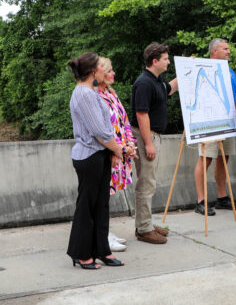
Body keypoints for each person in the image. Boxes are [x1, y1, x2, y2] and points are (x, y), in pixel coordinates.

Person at [66, 52, 126, 269]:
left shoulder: (92, 92)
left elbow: (104, 128)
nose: (105, 69)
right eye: (102, 66)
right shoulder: (84, 94)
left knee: (101, 205)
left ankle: (102, 250)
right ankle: (81, 253)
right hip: (89, 156)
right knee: (87, 207)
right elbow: (99, 130)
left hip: (99, 154)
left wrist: (111, 152)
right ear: (93, 71)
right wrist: (120, 150)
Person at [131, 42, 178, 244]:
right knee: (146, 182)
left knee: (150, 181)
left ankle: (147, 223)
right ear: (155, 61)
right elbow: (141, 114)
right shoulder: (144, 83)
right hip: (145, 135)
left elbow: (169, 89)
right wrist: (148, 144)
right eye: (166, 59)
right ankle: (143, 229)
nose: (169, 62)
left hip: (152, 135)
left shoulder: (157, 81)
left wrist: (187, 71)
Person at [193, 38, 236, 216]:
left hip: (227, 121)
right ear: (214, 51)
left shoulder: (229, 71)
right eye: (225, 48)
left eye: (229, 48)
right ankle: (200, 200)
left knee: (224, 156)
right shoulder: (202, 67)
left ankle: (222, 197)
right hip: (209, 121)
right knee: (205, 158)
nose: (229, 51)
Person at [96, 57, 137, 252]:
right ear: (100, 73)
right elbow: (104, 130)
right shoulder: (95, 96)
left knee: (107, 196)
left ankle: (105, 231)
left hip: (120, 152)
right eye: (110, 71)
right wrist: (119, 149)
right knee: (102, 196)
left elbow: (124, 121)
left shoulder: (111, 94)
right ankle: (101, 235)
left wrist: (130, 144)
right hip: (108, 153)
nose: (113, 74)